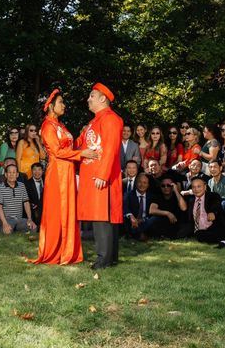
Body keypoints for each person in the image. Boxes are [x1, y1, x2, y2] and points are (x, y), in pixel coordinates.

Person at [32, 89, 99, 264]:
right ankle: (55, 251)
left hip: (67, 172)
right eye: (61, 102)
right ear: (51, 106)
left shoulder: (60, 126)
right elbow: (56, 151)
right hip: (57, 174)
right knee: (57, 212)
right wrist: (82, 154)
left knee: (68, 211)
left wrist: (83, 135)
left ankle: (67, 251)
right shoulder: (47, 126)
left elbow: (71, 146)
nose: (64, 105)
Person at [75, 83, 124, 270]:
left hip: (101, 175)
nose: (88, 99)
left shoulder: (110, 119)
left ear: (102, 98)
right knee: (101, 216)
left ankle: (104, 259)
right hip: (92, 174)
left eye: (91, 96)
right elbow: (80, 144)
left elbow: (111, 148)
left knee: (102, 216)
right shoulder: (93, 121)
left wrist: (102, 174)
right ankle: (110, 258)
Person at [186, 177, 225, 248]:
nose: (196, 189)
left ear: (204, 187)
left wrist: (213, 212)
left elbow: (216, 203)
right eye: (194, 187)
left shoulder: (212, 196)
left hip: (213, 225)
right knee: (199, 235)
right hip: (201, 230)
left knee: (219, 224)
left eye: (199, 186)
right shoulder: (191, 199)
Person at [0, 164, 36, 234]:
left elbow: (26, 203)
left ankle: (15, 229)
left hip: (19, 219)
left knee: (33, 228)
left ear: (17, 175)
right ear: (6, 174)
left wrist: (29, 219)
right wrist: (4, 223)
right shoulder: (0, 187)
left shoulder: (21, 186)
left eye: (14, 172)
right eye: (9, 172)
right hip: (6, 219)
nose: (11, 174)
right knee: (7, 231)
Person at [124, 174, 159, 240]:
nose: (142, 185)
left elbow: (151, 213)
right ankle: (140, 234)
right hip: (132, 222)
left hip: (145, 221)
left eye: (144, 183)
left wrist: (142, 220)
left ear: (148, 185)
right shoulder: (128, 195)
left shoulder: (152, 197)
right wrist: (131, 217)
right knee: (125, 219)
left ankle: (136, 233)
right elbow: (125, 207)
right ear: (136, 183)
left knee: (155, 218)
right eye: (139, 182)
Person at [24, 162, 44, 227]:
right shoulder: (27, 183)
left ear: (42, 171)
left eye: (39, 170)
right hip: (34, 209)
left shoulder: (47, 180)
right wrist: (31, 205)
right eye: (34, 170)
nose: (37, 172)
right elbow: (25, 199)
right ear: (32, 171)